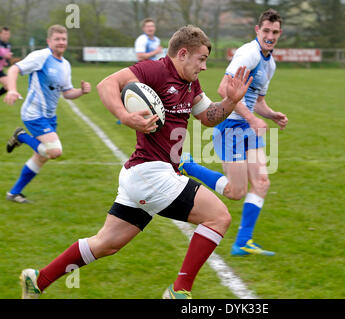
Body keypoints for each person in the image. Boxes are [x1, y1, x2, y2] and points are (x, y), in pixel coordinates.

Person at [19, 25, 252, 299]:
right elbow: (107, 84)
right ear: (183, 53)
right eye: (201, 59)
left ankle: (38, 280)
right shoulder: (156, 70)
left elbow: (209, 117)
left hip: (141, 176)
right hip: (153, 173)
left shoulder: (191, 83)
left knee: (106, 244)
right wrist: (124, 115)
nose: (203, 66)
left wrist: (231, 101)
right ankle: (179, 291)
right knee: (218, 217)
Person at [179, 9, 288, 257]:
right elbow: (223, 89)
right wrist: (252, 119)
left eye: (275, 32)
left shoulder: (269, 63)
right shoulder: (248, 53)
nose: (270, 36)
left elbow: (256, 101)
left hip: (248, 125)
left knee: (261, 181)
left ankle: (243, 242)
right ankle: (188, 165)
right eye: (266, 31)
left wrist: (271, 115)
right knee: (235, 192)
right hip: (231, 126)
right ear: (257, 31)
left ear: (280, 34)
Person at [4, 25, 91, 203]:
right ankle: (21, 136)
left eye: (63, 39)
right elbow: (14, 69)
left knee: (42, 156)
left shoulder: (65, 64)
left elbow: (66, 93)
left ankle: (14, 193)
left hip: (50, 117)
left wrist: (81, 91)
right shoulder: (41, 56)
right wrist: (12, 90)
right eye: (57, 39)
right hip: (33, 113)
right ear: (49, 41)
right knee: (54, 151)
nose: (61, 42)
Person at [0, 26, 13, 96]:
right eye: (5, 34)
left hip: (0, 70)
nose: (6, 36)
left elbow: (5, 58)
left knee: (9, 85)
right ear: (0, 34)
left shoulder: (8, 45)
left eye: (8, 34)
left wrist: (6, 61)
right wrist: (3, 57)